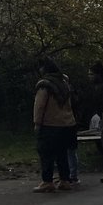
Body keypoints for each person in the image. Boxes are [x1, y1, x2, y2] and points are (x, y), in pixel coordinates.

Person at [32, 59, 76, 193]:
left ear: (44, 69)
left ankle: (47, 181)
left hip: (50, 124)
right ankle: (65, 180)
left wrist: (37, 123)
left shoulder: (45, 85)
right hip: (67, 123)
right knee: (62, 153)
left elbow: (39, 106)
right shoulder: (64, 83)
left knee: (46, 153)